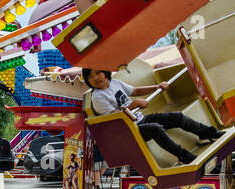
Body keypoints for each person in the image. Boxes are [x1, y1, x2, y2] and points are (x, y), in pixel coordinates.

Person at [83, 68, 222, 166]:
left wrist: (157, 87)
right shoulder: (98, 97)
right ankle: (183, 156)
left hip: (140, 119)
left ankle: (206, 133)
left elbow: (136, 91)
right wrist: (133, 105)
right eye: (90, 76)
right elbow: (113, 119)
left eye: (97, 73)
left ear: (105, 72)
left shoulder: (115, 83)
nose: (95, 78)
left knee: (177, 117)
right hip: (128, 131)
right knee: (155, 129)